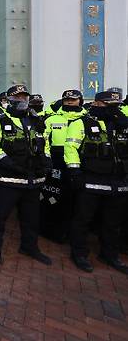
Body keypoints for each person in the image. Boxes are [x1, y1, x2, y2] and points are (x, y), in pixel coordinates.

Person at [0, 84, 52, 265]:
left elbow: (44, 143)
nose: (22, 100)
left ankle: (30, 247)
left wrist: (46, 161)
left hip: (32, 179)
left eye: (24, 97)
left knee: (31, 218)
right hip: (8, 178)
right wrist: (8, 163)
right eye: (17, 97)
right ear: (9, 100)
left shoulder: (35, 119)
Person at [65, 90, 128, 275]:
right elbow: (71, 147)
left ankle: (109, 255)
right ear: (97, 104)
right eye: (109, 105)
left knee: (113, 223)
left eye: (116, 106)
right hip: (91, 180)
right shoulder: (81, 123)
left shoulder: (122, 123)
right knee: (83, 220)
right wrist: (75, 171)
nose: (113, 109)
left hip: (118, 182)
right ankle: (79, 254)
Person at [41, 89, 86, 242]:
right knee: (53, 198)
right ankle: (53, 230)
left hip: (78, 163)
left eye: (73, 99)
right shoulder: (51, 119)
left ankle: (71, 232)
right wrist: (47, 160)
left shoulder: (88, 119)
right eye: (66, 99)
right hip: (56, 163)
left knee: (77, 200)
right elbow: (43, 141)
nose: (69, 102)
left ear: (80, 101)